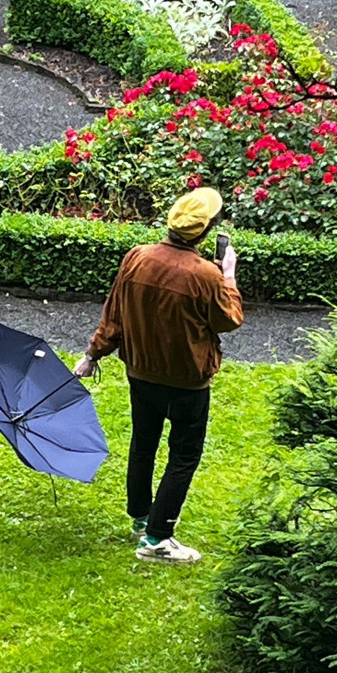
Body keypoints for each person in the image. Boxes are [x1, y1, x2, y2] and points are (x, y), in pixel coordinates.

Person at [73, 187, 243, 564]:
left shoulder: (137, 257)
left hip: (141, 373)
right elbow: (228, 320)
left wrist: (92, 355)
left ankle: (140, 518)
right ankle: (157, 539)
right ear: (204, 231)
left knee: (144, 442)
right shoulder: (206, 275)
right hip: (187, 382)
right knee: (184, 454)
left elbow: (113, 315)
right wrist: (228, 276)